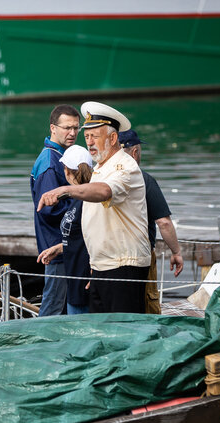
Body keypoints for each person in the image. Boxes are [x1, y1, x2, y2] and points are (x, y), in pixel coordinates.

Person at [37, 102, 151, 314]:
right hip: (101, 267)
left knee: (121, 332)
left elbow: (105, 192)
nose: (89, 143)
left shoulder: (125, 167)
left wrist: (65, 190)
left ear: (113, 138)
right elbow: (98, 225)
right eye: (86, 136)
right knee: (100, 334)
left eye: (94, 137)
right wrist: (65, 249)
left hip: (123, 267)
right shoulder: (99, 168)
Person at [119, 129, 184, 314]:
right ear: (135, 152)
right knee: (147, 303)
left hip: (110, 257)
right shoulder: (144, 180)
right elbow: (163, 222)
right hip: (140, 255)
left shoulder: (103, 178)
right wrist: (176, 251)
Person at [30, 104, 81, 316]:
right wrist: (81, 209)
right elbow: (50, 211)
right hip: (56, 244)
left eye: (76, 128)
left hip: (63, 243)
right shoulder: (50, 162)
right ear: (53, 128)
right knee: (53, 304)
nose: (72, 133)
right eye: (67, 127)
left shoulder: (61, 156)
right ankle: (40, 345)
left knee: (61, 301)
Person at [37, 145, 92, 315]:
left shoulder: (89, 201)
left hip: (86, 282)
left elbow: (98, 237)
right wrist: (60, 248)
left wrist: (94, 271)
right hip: (74, 280)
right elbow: (80, 236)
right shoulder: (76, 198)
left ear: (67, 172)